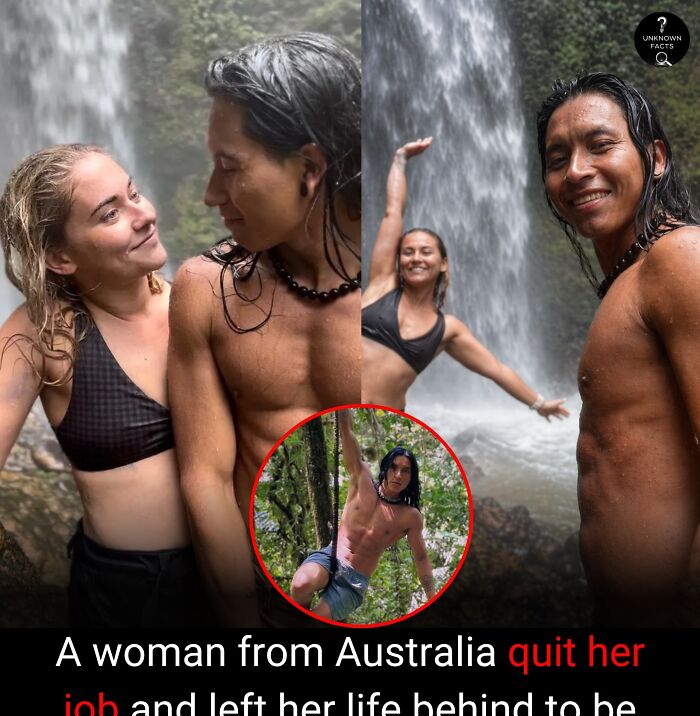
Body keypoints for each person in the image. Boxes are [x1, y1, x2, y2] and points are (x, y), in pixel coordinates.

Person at [168, 33, 361, 626]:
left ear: (308, 169)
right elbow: (205, 474)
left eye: (230, 167)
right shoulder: (205, 287)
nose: (209, 194)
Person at [0, 144, 200, 627]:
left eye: (135, 194)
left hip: (224, 574)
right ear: (60, 256)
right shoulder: (41, 335)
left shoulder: (201, 303)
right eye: (111, 213)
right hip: (121, 595)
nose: (144, 215)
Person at [537, 72, 700, 625]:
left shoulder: (678, 258)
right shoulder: (632, 279)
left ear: (655, 157)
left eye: (600, 145)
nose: (576, 171)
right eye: (557, 158)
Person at [362, 138, 569, 417]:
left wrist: (539, 404)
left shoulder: (447, 330)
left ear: (443, 263)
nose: (416, 258)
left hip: (379, 421)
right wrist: (399, 160)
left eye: (425, 252)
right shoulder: (381, 283)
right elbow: (393, 212)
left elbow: (496, 370)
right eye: (407, 252)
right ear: (398, 261)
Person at [290, 410, 434, 621]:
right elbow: (347, 432)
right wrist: (342, 405)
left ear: (411, 478)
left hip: (354, 583)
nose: (398, 475)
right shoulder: (361, 477)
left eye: (405, 471)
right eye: (394, 467)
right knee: (300, 584)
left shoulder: (409, 516)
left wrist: (432, 598)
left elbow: (421, 558)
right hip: (331, 559)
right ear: (385, 468)